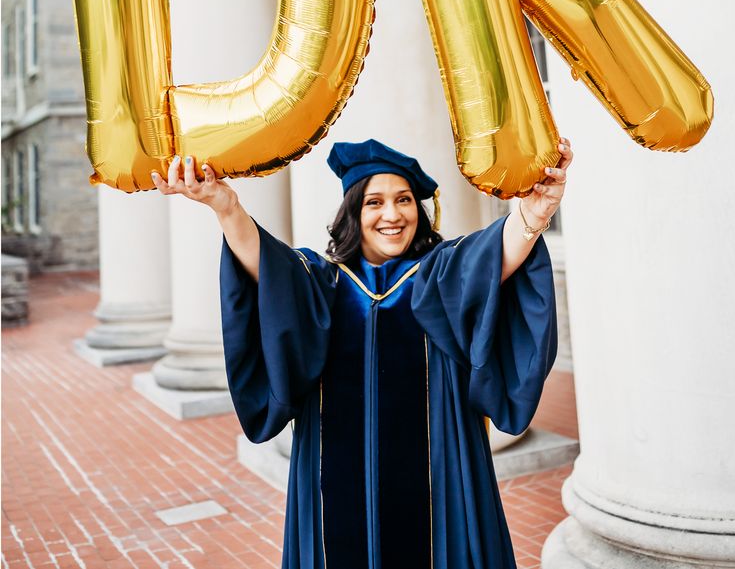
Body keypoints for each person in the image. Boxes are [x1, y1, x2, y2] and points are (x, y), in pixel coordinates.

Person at [152, 136, 572, 569]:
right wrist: (225, 206)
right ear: (353, 212)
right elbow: (266, 265)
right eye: (374, 202)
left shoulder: (439, 274)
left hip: (436, 484)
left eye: (404, 200)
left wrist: (535, 212)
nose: (392, 215)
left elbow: (494, 253)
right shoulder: (323, 284)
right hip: (335, 485)